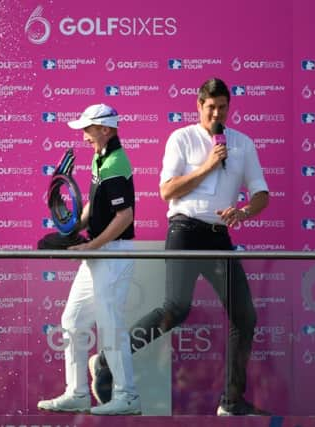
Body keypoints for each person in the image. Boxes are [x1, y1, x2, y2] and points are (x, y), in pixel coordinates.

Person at [88, 78, 270, 416]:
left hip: (219, 238)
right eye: (210, 107)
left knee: (245, 316)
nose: (216, 113)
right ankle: (107, 361)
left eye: (223, 107)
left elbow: (261, 193)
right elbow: (167, 191)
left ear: (229, 108)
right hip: (185, 231)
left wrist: (243, 212)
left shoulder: (243, 143)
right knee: (176, 308)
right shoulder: (181, 138)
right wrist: (209, 165)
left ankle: (231, 402)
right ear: (198, 106)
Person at [37, 104, 141, 415]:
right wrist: (74, 227)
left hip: (112, 252)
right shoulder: (101, 157)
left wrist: (91, 245)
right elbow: (95, 210)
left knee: (110, 325)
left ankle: (128, 396)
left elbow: (125, 217)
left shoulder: (114, 163)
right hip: (98, 252)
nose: (83, 137)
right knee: (73, 320)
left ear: (106, 130)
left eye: (88, 130)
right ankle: (78, 392)